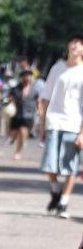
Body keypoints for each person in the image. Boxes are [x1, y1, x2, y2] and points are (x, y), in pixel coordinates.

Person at [38, 35, 83, 217]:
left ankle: (64, 202)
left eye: (80, 44)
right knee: (49, 164)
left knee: (70, 166)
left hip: (74, 123)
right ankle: (55, 190)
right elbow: (45, 97)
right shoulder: (57, 68)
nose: (75, 46)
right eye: (73, 43)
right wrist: (42, 124)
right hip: (54, 120)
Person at [7, 68, 36, 159]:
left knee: (23, 132)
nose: (27, 77)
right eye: (25, 75)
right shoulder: (15, 89)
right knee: (13, 134)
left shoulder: (35, 89)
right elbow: (10, 98)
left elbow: (39, 101)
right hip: (17, 114)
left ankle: (18, 152)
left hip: (28, 115)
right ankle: (13, 139)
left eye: (29, 75)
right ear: (22, 77)